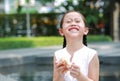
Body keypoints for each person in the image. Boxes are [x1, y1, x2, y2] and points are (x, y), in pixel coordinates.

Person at [53, 10, 99, 81]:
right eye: (68, 21)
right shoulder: (58, 55)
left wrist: (80, 76)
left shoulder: (91, 54)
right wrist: (60, 74)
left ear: (85, 30)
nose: (73, 23)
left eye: (77, 21)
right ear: (61, 31)